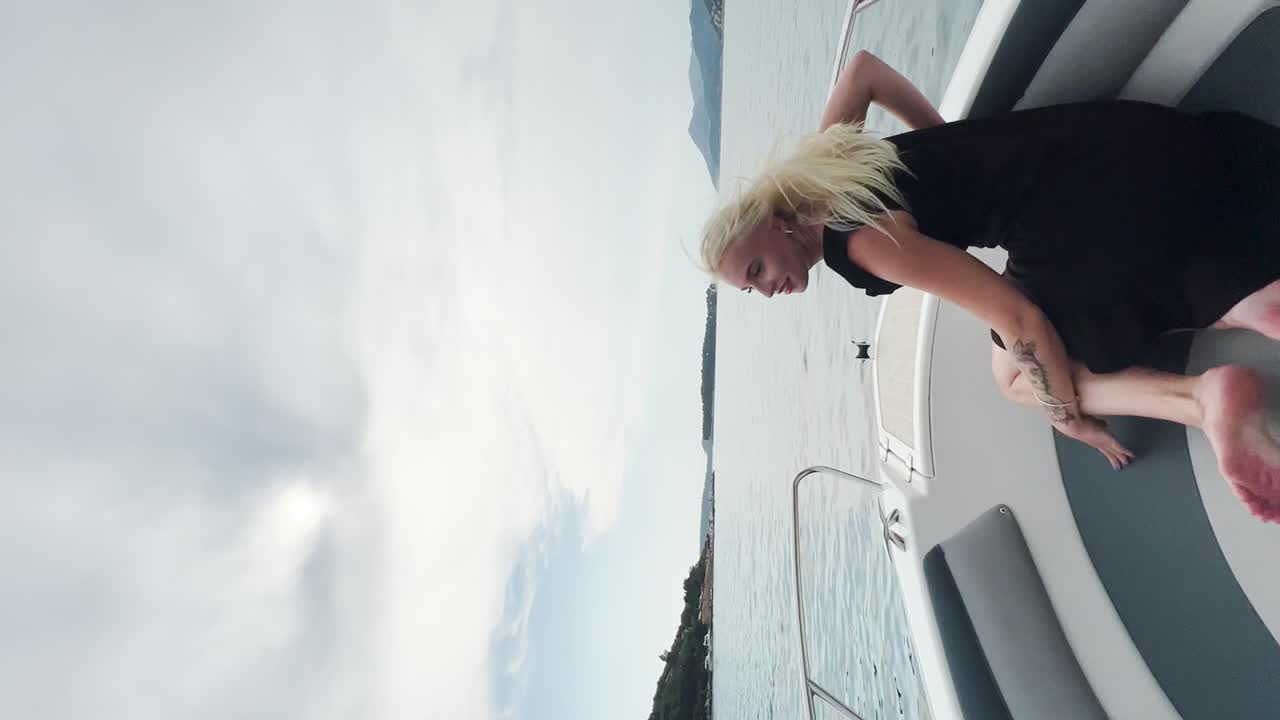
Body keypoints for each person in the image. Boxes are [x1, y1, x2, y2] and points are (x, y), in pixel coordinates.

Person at [700, 50, 1280, 524]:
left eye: (757, 271)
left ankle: (1203, 401)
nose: (768, 288)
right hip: (1132, 141)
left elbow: (1020, 320)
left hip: (1086, 215)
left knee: (1013, 377)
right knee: (1154, 272)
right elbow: (863, 71)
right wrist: (953, 147)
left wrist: (1068, 418)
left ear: (776, 224)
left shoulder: (859, 245)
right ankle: (1252, 307)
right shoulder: (826, 157)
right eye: (753, 289)